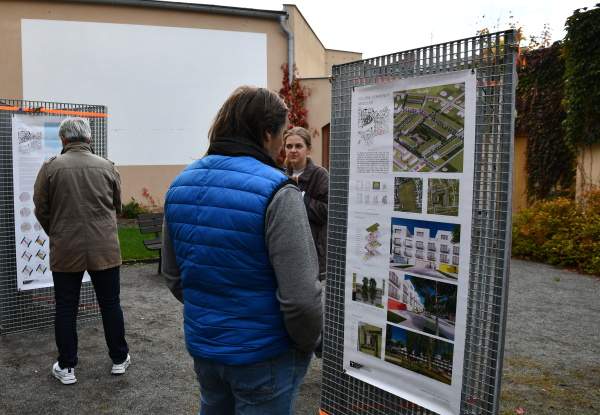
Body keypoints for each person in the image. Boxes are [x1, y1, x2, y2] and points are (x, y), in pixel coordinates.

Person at [162, 86, 323, 415]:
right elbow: (301, 299)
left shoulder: (180, 184)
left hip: (206, 347)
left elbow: (173, 276)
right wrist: (307, 343)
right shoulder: (278, 190)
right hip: (265, 354)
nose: (283, 146)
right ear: (266, 134)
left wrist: (213, 313)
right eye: (282, 135)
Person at [33, 117, 130, 385]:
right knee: (110, 303)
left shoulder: (50, 168)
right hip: (105, 247)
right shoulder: (107, 166)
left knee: (66, 306)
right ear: (89, 138)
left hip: (66, 247)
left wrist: (57, 232)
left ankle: (67, 367)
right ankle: (119, 359)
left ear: (63, 139)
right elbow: (118, 205)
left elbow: (41, 208)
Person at [284, 127, 329, 281]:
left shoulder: (320, 175)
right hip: (287, 250)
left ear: (308, 149)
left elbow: (327, 211)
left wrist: (300, 197)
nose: (293, 150)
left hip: (313, 253)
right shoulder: (281, 176)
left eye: (298, 146)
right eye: (289, 146)